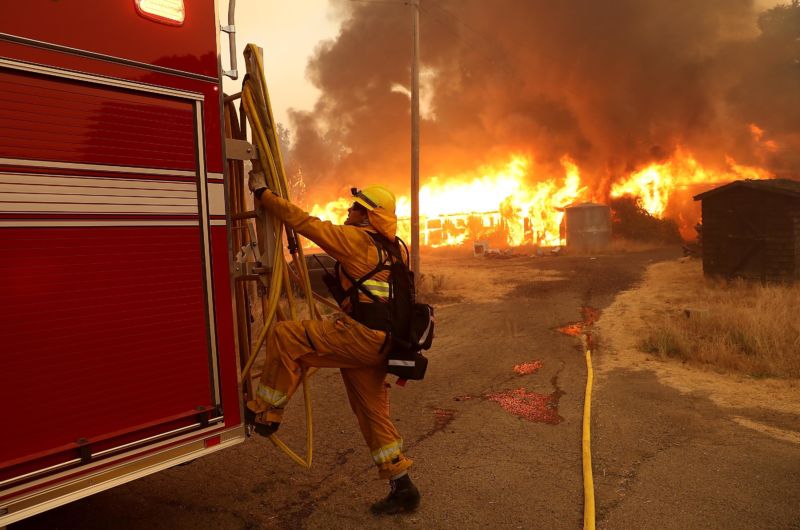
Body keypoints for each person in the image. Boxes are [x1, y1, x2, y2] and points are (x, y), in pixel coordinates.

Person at [245, 172, 420, 515]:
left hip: (361, 339)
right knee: (372, 413)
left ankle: (267, 413)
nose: (349, 210)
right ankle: (403, 485)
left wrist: (264, 194)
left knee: (287, 335)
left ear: (369, 216)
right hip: (383, 344)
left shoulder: (356, 241)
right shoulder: (395, 246)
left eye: (356, 207)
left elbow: (306, 223)